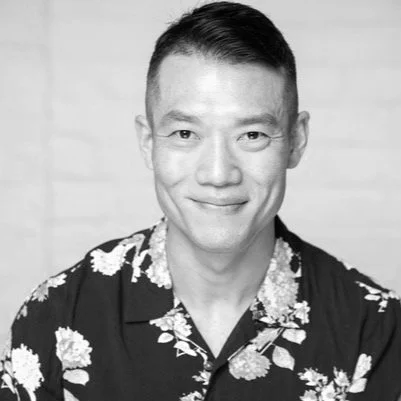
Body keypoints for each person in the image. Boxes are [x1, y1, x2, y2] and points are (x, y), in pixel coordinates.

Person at [1, 2, 400, 400]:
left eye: (252, 135)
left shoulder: (375, 330)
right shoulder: (56, 316)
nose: (218, 174)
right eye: (185, 134)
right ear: (148, 142)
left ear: (296, 141)